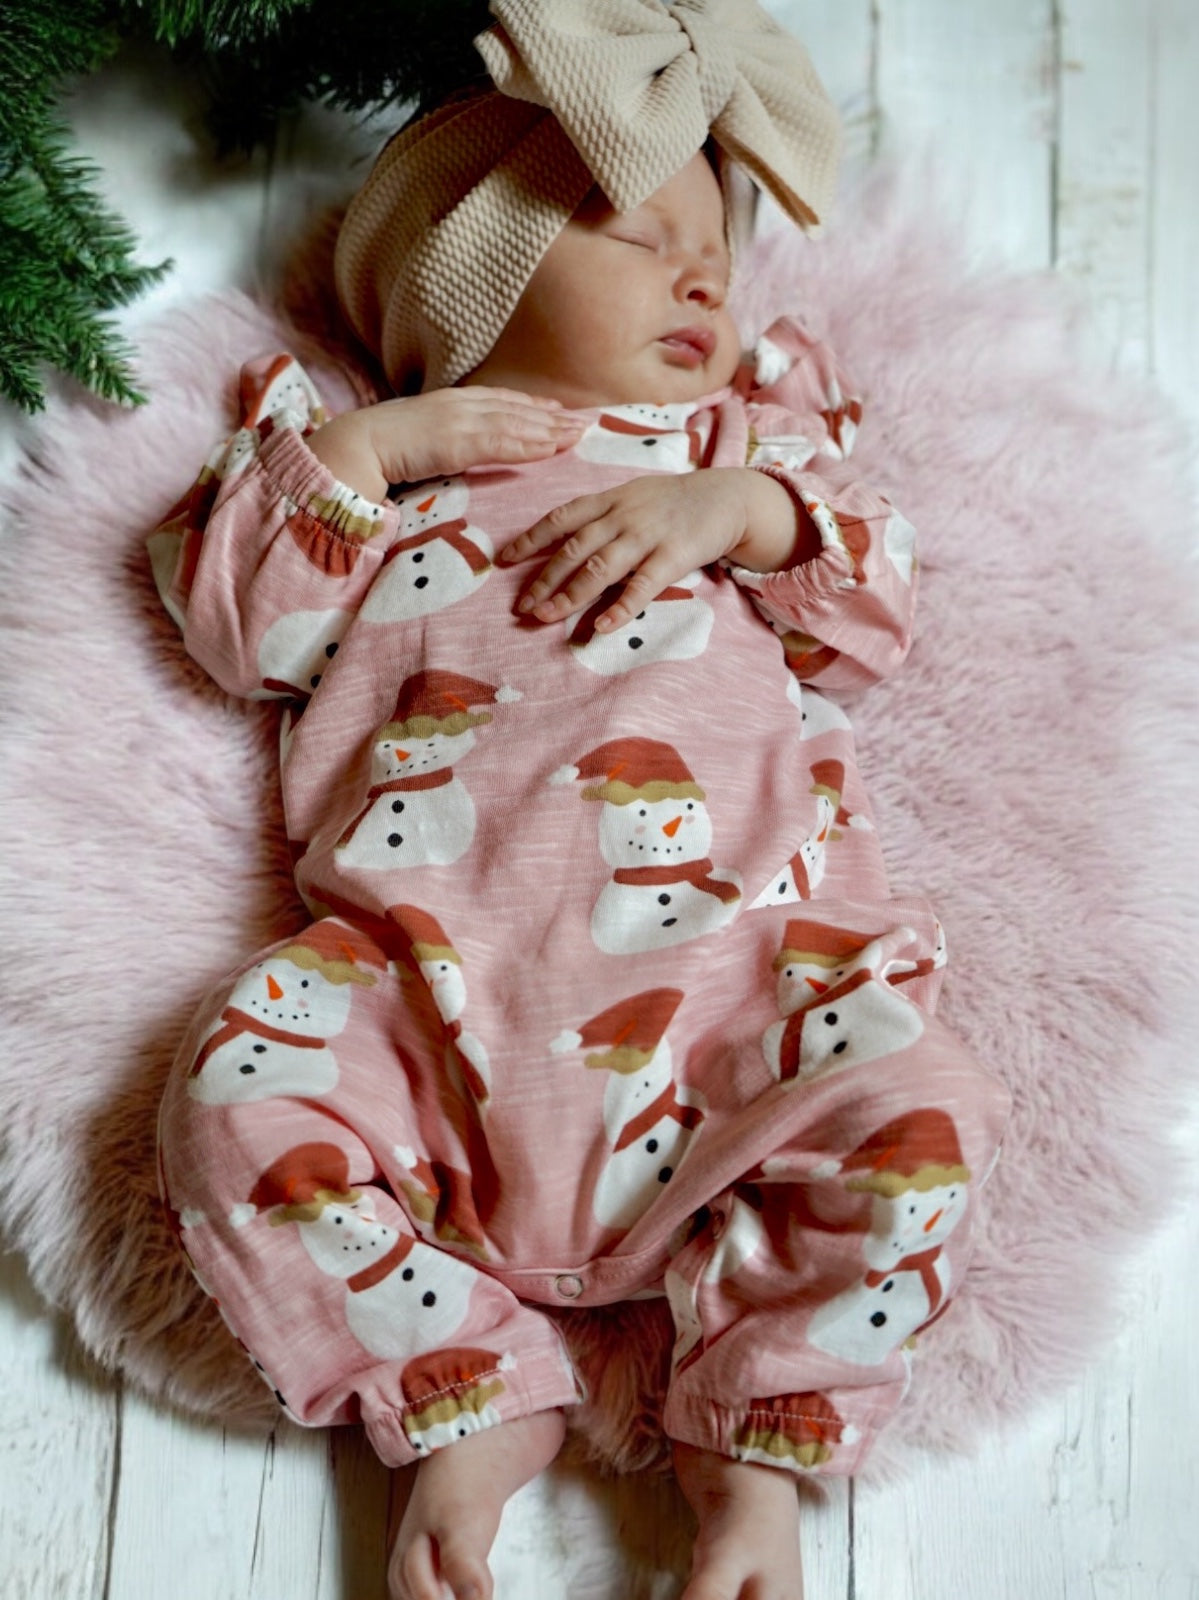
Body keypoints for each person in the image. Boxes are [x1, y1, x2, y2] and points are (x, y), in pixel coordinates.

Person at [151, 4, 1011, 1597]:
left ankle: (750, 1456)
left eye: (720, 255)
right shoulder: (369, 480)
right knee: (233, 1096)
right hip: (419, 985)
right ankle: (461, 1391)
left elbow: (877, 609)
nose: (705, 277)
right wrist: (379, 443)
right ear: (466, 278)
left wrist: (743, 508)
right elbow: (239, 630)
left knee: (921, 1111)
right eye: (642, 233)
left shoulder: (743, 443)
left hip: (748, 974)